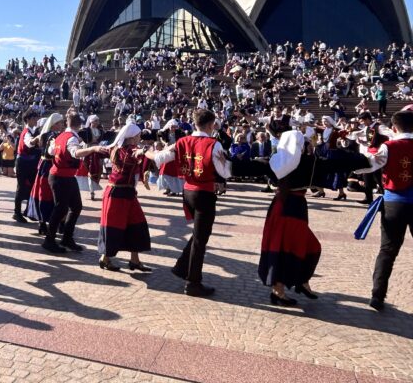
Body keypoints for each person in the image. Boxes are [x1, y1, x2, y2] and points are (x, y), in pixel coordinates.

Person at [235, 130, 369, 305]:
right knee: (289, 248)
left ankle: (300, 281)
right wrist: (366, 158)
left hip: (284, 207)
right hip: (291, 207)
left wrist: (230, 163)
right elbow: (336, 163)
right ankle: (279, 290)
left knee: (299, 246)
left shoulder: (275, 161)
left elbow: (248, 166)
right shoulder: (307, 162)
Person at [146, 109, 232, 297]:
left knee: (198, 234)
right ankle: (193, 282)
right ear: (211, 125)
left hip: (188, 192)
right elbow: (225, 172)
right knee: (201, 239)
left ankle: (182, 266)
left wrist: (147, 152)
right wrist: (226, 163)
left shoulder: (181, 141)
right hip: (204, 194)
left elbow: (160, 158)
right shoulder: (213, 144)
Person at [354, 110, 413, 311]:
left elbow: (368, 165)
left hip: (394, 203)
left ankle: (377, 296)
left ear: (394, 128)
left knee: (387, 250)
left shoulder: (389, 146)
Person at [43, 113, 106, 254]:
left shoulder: (60, 136)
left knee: (76, 206)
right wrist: (93, 149)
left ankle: (67, 238)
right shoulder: (71, 138)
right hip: (61, 177)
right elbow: (75, 153)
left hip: (63, 176)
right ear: (80, 124)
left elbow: (50, 151)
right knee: (60, 209)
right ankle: (49, 240)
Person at [97, 123, 151, 272]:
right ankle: (105, 258)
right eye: (138, 135)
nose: (140, 138)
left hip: (124, 192)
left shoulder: (117, 148)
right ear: (132, 137)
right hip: (118, 194)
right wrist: (144, 151)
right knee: (114, 227)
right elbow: (136, 152)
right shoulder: (129, 149)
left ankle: (134, 260)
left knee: (136, 224)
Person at [26, 113, 64, 235]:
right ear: (54, 124)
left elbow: (33, 143)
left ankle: (44, 223)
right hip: (49, 166)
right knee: (48, 194)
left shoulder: (46, 135)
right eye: (60, 123)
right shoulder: (52, 136)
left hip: (45, 165)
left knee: (45, 193)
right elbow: (51, 152)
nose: (62, 125)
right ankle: (49, 223)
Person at [14, 110, 41, 223]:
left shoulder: (32, 131)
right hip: (23, 163)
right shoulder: (26, 132)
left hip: (30, 163)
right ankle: (17, 212)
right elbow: (29, 143)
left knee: (31, 187)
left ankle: (28, 211)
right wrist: (39, 137)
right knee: (21, 187)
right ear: (28, 120)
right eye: (34, 118)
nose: (36, 120)